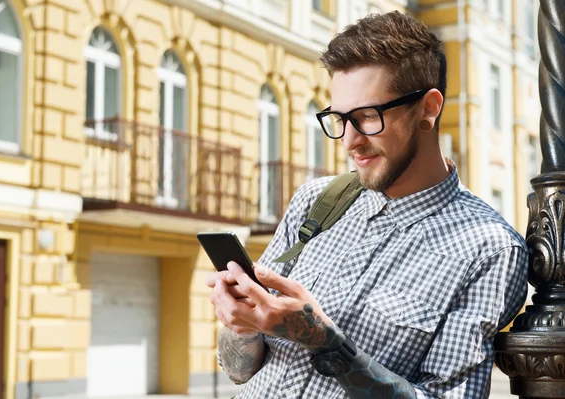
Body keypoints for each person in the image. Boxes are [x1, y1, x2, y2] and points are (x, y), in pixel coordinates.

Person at [206, 11, 529, 399]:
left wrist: (326, 341)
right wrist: (242, 327)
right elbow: (238, 373)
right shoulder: (315, 201)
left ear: (428, 108)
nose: (349, 141)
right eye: (339, 119)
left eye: (367, 117)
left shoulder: (490, 249)